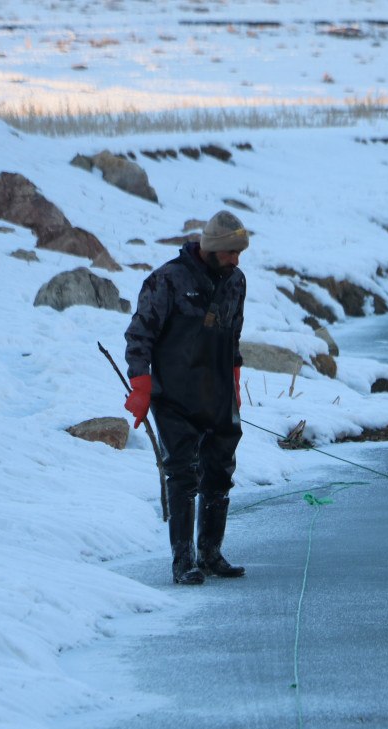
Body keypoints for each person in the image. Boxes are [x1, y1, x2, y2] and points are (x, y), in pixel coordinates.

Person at [123, 210, 249, 585]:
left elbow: (233, 336)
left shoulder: (236, 282)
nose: (236, 260)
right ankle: (183, 561)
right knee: (183, 473)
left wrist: (235, 378)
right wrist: (141, 385)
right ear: (211, 248)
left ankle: (211, 553)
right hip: (175, 397)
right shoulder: (167, 280)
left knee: (220, 472)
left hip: (218, 393)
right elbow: (138, 336)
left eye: (239, 253)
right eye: (230, 252)